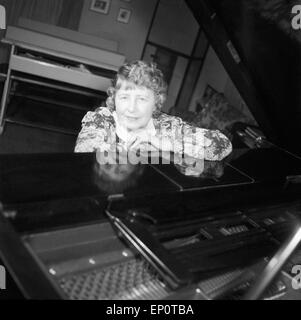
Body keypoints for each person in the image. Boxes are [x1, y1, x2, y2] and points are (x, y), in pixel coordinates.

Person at [74, 60, 232, 163]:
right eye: (124, 97)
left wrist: (161, 142)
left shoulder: (167, 125)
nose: (131, 107)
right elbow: (84, 155)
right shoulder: (102, 119)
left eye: (142, 99)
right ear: (114, 98)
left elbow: (222, 145)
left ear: (156, 103)